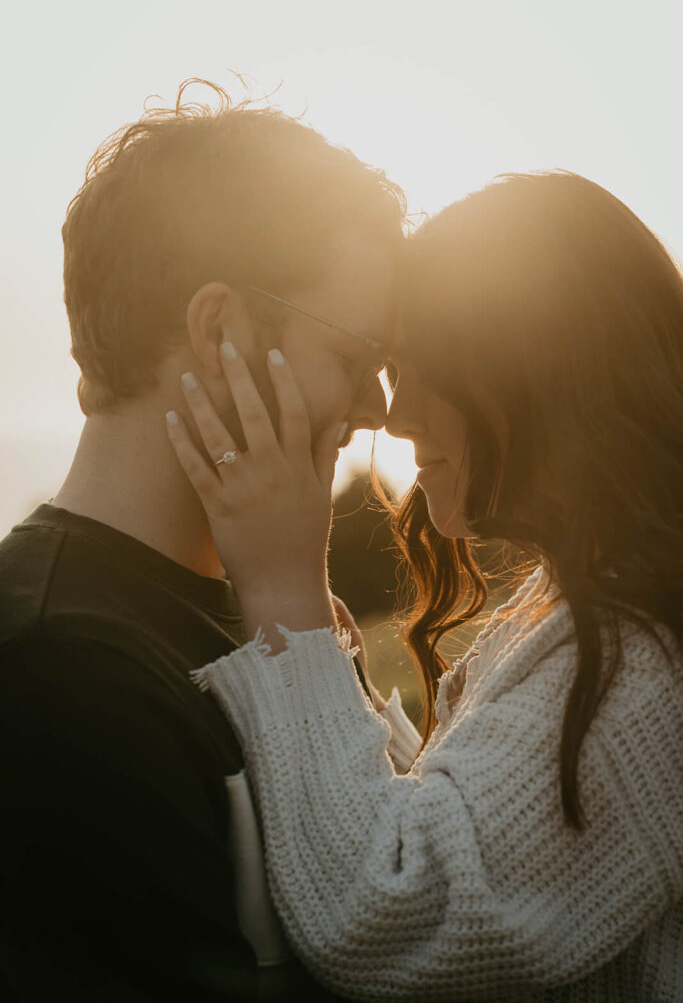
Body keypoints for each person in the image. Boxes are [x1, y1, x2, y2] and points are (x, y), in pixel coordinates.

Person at [167, 171, 683, 1001]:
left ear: (539, 371)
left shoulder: (641, 661)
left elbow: (391, 913)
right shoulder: (591, 609)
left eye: (422, 370)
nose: (396, 417)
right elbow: (470, 822)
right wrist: (336, 672)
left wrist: (281, 594)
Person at [0, 79, 410, 1001]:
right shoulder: (58, 671)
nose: (378, 406)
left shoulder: (280, 607)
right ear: (219, 327)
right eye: (353, 358)